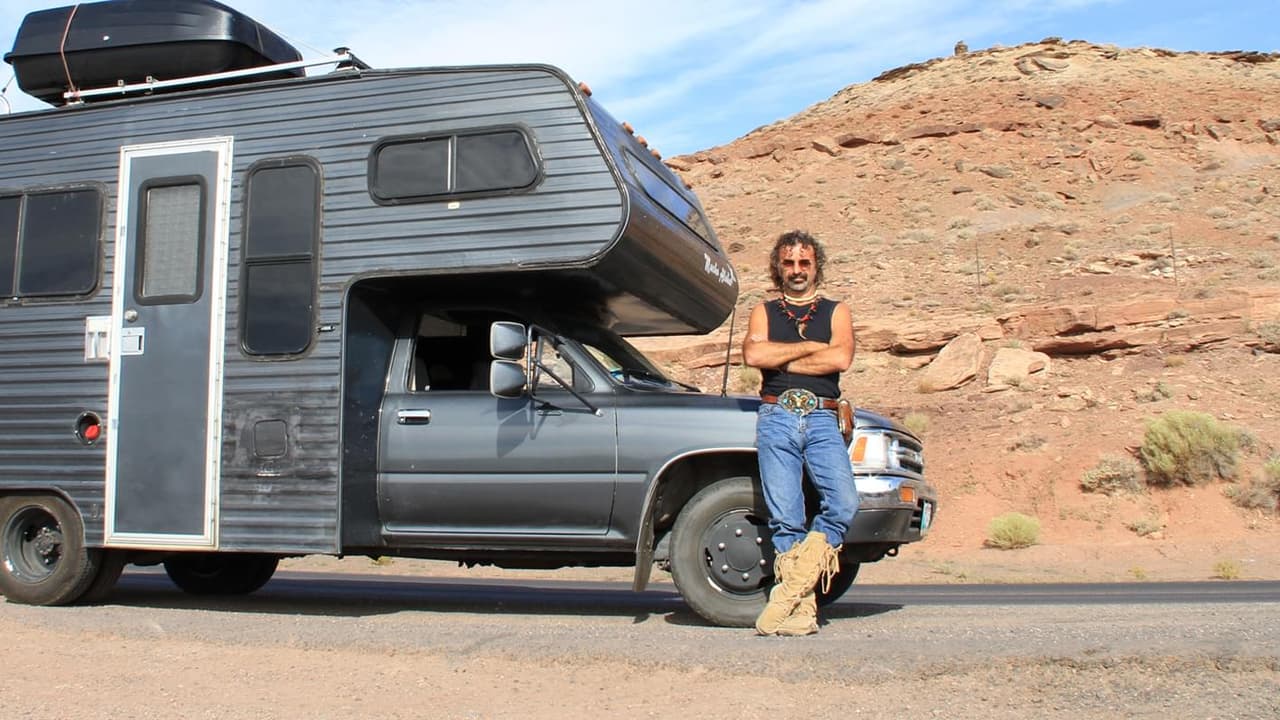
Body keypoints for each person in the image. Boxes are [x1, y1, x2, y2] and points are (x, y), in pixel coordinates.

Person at [742, 229, 858, 636]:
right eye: (788, 262)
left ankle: (787, 595)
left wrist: (781, 359)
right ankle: (803, 614)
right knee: (786, 517)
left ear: (816, 265)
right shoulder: (764, 311)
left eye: (804, 262)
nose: (796, 270)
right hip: (776, 415)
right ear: (778, 266)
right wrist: (812, 348)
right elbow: (754, 354)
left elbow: (840, 358)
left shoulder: (836, 311)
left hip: (823, 416)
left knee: (843, 503)